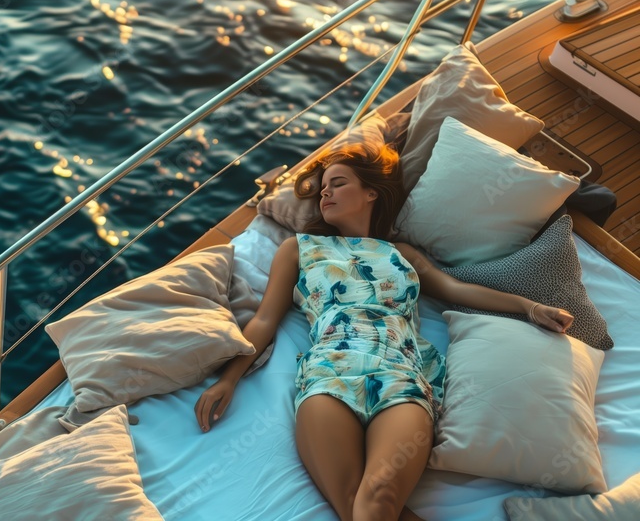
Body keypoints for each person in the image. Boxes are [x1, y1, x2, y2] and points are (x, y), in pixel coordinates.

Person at [193, 142, 574, 521]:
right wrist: (229, 379)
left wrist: (528, 306)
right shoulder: (299, 248)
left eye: (338, 183)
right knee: (354, 503)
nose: (325, 192)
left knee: (376, 498)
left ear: (372, 191)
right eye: (323, 187)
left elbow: (455, 290)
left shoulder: (402, 254)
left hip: (400, 372)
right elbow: (263, 320)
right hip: (330, 372)